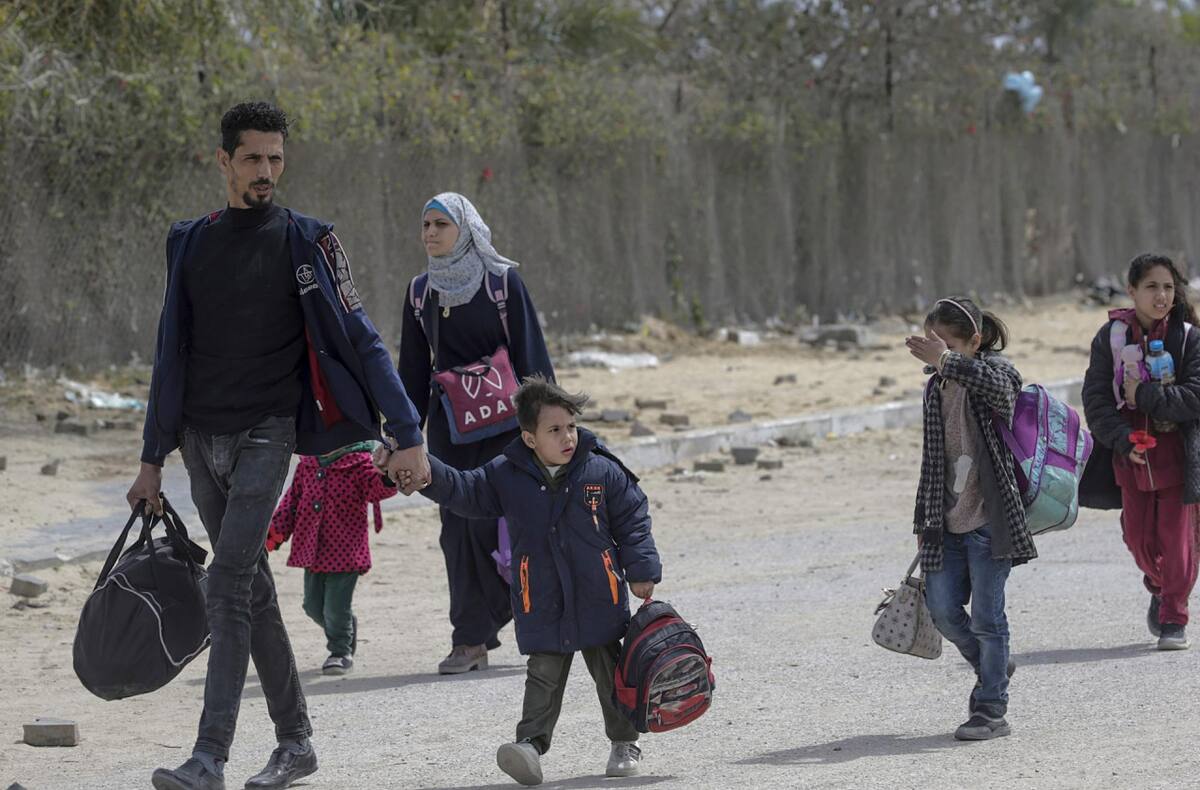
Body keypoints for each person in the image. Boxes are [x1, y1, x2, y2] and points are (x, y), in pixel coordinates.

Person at [127, 102, 430, 790]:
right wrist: (153, 457)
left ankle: (209, 757)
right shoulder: (189, 241)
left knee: (229, 582)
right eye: (253, 159)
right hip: (201, 441)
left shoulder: (310, 241)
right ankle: (297, 743)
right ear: (224, 162)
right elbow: (169, 350)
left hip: (270, 432)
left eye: (276, 159)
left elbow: (362, 336)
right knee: (251, 586)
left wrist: (407, 433)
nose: (267, 171)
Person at [402, 376, 661, 785]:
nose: (568, 437)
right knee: (543, 675)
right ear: (529, 438)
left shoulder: (601, 469)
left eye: (571, 427)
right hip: (540, 597)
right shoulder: (506, 474)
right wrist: (426, 470)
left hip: (600, 593)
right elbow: (466, 491)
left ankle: (624, 742)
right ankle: (529, 747)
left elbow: (633, 519)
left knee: (611, 672)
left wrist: (642, 570)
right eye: (554, 430)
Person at [396, 192, 555, 674]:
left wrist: (549, 429)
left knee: (511, 526)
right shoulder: (421, 292)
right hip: (450, 433)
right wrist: (404, 437)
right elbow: (411, 372)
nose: (430, 233)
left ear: (464, 228)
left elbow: (533, 359)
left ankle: (532, 622)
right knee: (457, 531)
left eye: (440, 224)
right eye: (425, 224)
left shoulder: (502, 283)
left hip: (507, 431)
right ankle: (469, 638)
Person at [906, 297, 1035, 741]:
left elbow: (1002, 391)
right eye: (930, 344)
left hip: (988, 523)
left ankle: (990, 708)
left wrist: (946, 359)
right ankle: (991, 665)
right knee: (942, 610)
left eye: (945, 345)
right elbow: (932, 462)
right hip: (945, 523)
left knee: (987, 617)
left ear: (975, 341)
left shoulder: (996, 374)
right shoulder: (935, 387)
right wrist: (923, 523)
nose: (933, 353)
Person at [1082, 253, 1200, 651]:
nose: (1161, 295)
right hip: (1129, 454)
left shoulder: (1188, 338)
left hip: (1179, 455)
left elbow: (1196, 397)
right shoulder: (1111, 338)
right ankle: (1161, 586)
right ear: (1131, 291)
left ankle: (1173, 618)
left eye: (1168, 287)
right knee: (1138, 539)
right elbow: (1096, 398)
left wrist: (1146, 395)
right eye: (1151, 287)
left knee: (1178, 539)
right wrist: (1120, 438)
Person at [265, 442, 397, 675]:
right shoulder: (307, 464)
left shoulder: (359, 463)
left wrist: (386, 474)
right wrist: (272, 537)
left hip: (346, 552)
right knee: (312, 606)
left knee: (335, 608)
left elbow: (377, 489)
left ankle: (340, 651)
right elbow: (290, 504)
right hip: (313, 550)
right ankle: (345, 629)